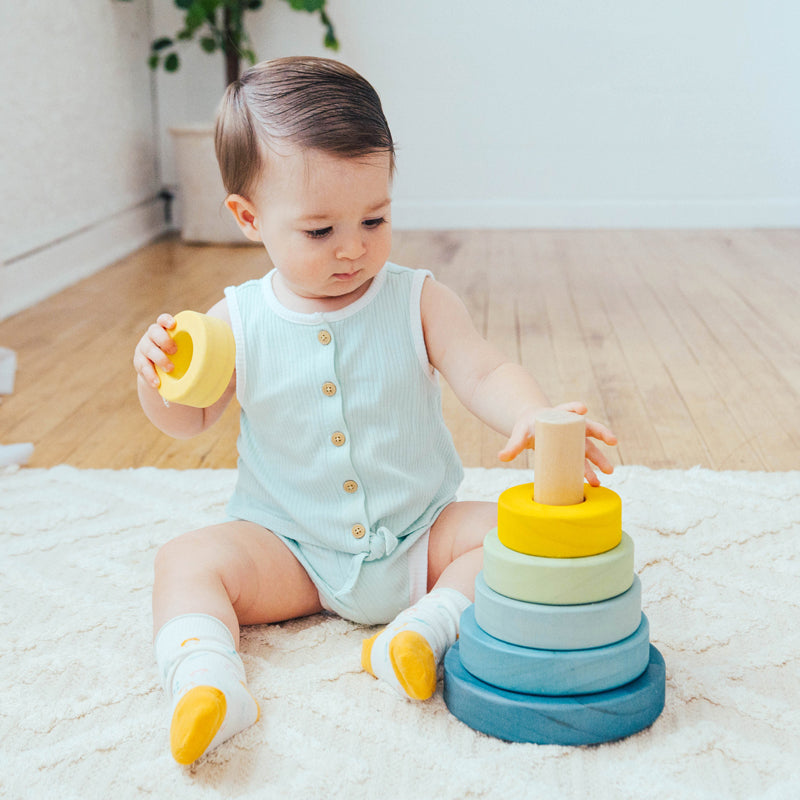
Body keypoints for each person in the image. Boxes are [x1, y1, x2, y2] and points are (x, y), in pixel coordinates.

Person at [133, 56, 617, 766]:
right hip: (290, 551)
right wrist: (157, 381)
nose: (354, 248)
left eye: (374, 218)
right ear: (249, 218)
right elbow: (190, 419)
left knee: (515, 535)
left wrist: (534, 414)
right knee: (185, 560)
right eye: (319, 232)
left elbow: (484, 370)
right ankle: (206, 678)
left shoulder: (418, 299)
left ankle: (422, 631)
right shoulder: (235, 321)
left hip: (421, 537)